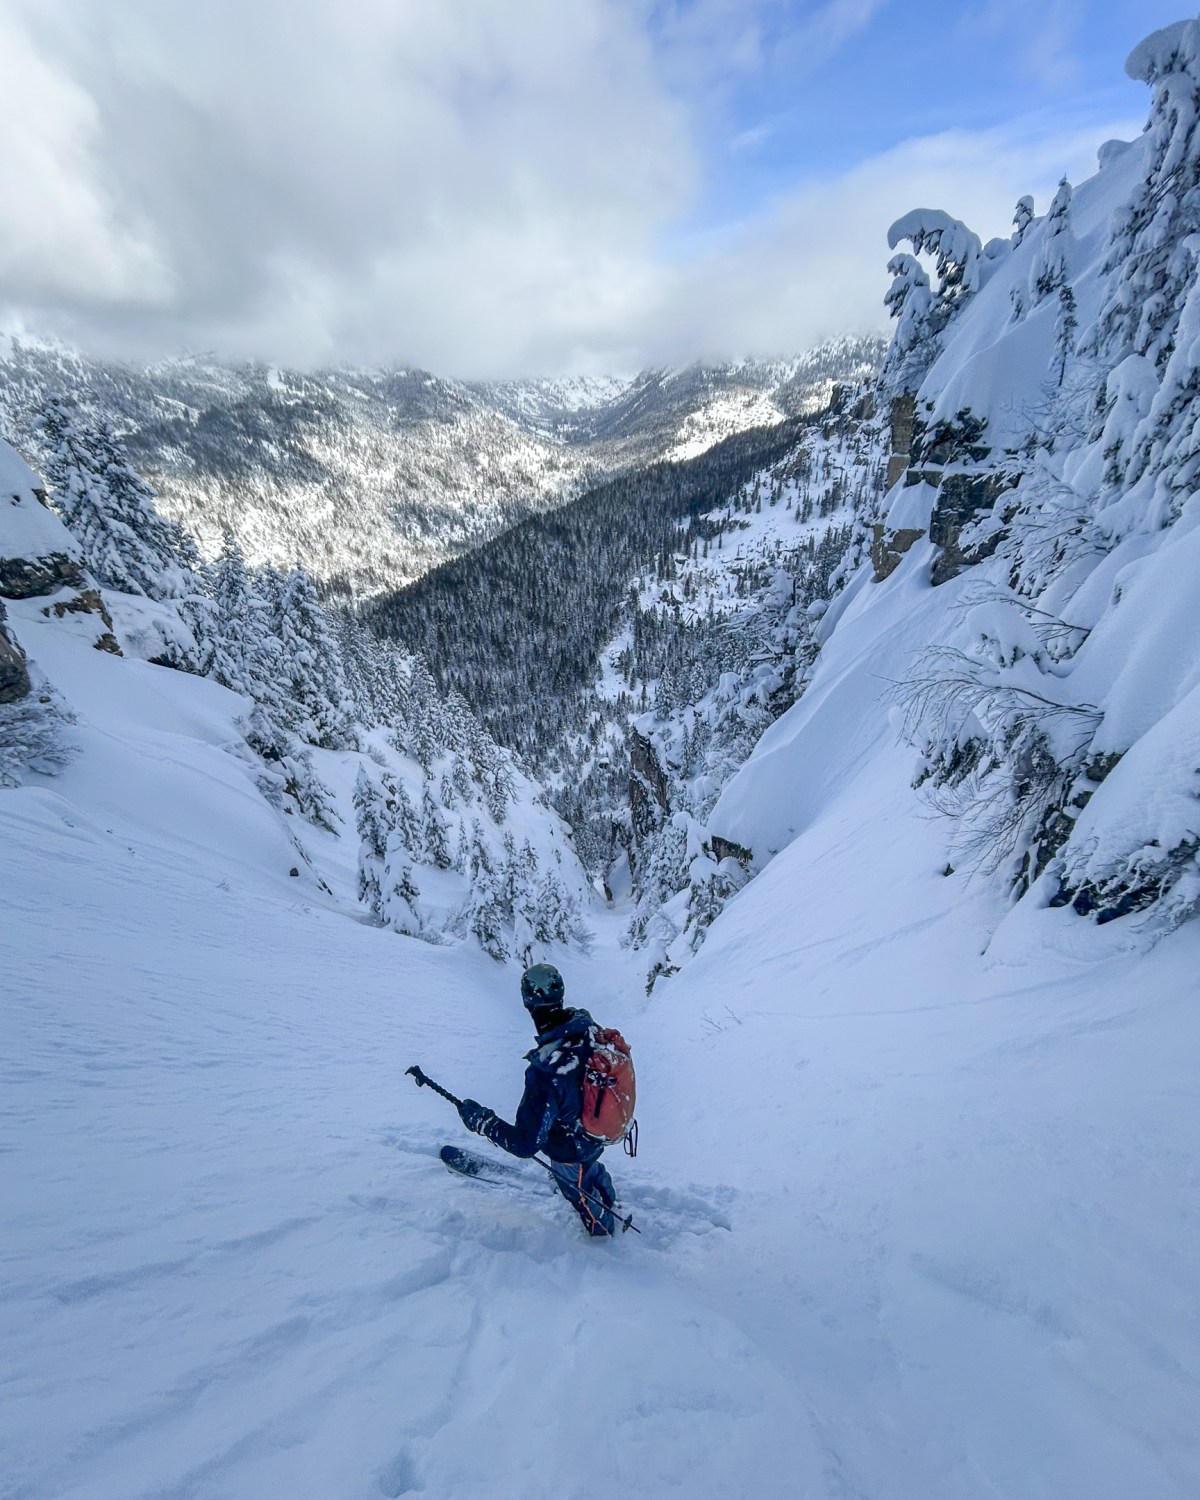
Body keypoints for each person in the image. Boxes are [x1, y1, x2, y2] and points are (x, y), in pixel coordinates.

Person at [456, 963, 619, 1237]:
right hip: (595, 1131)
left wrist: (484, 1123)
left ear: (526, 1001)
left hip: (570, 1148)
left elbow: (525, 1144)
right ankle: (607, 1193)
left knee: (578, 1189)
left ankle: (602, 1227)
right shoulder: (587, 1028)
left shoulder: (546, 1072)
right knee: (589, 1170)